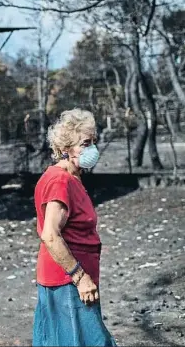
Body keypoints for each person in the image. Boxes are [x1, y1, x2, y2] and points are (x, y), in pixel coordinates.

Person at [32, 108, 117, 347]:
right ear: (67, 148)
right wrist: (80, 278)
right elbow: (50, 235)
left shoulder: (70, 177)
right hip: (68, 281)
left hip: (69, 279)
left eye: (93, 142)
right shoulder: (60, 181)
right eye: (85, 143)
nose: (92, 149)